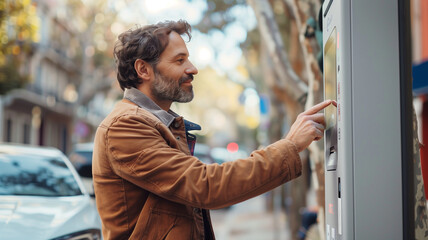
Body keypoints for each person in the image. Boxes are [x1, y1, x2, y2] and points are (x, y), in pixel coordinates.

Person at [92, 19, 332, 240]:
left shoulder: (158, 122)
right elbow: (206, 185)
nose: (193, 68)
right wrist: (290, 146)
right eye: (179, 60)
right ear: (143, 70)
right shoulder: (124, 126)